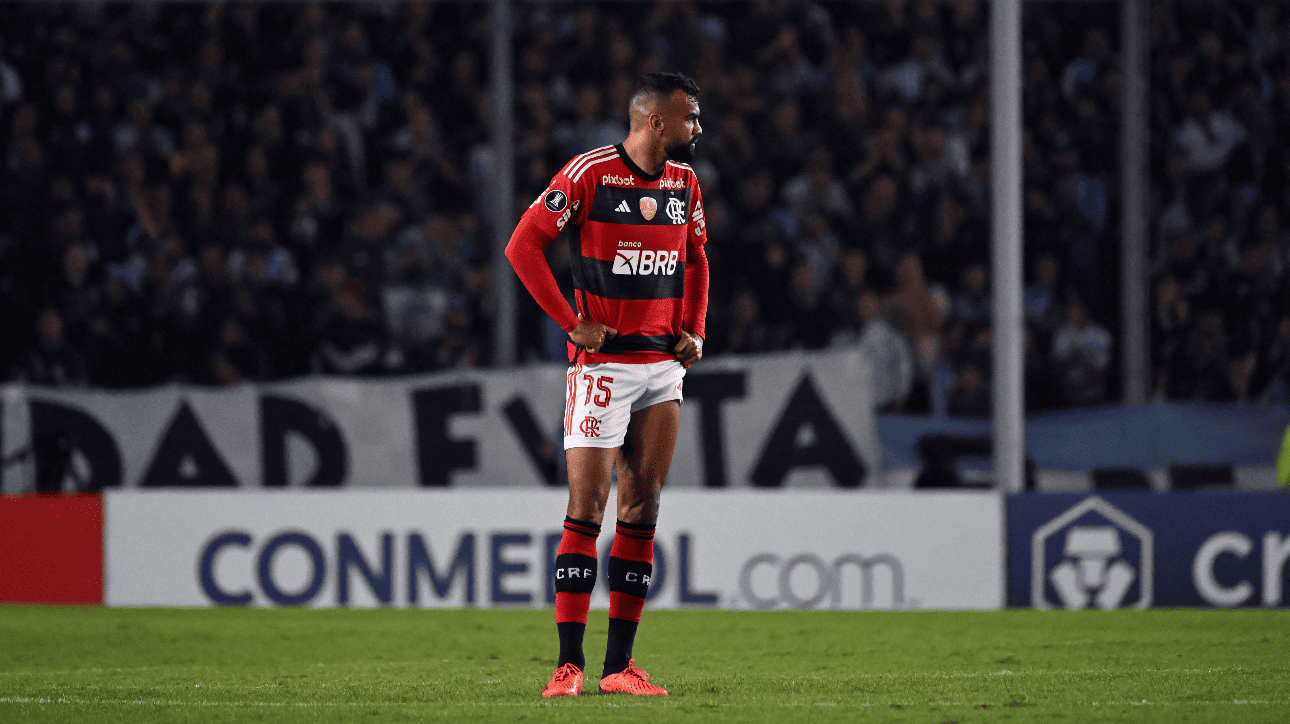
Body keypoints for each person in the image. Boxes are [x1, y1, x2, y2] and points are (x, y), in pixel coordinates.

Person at [505, 72, 707, 698]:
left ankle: (620, 669)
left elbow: (698, 260)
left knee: (642, 507)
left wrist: (695, 329)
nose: (696, 129)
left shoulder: (686, 184)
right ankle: (568, 666)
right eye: (689, 118)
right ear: (654, 121)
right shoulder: (590, 174)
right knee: (586, 510)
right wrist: (572, 322)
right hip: (601, 370)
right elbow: (522, 247)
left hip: (662, 369)